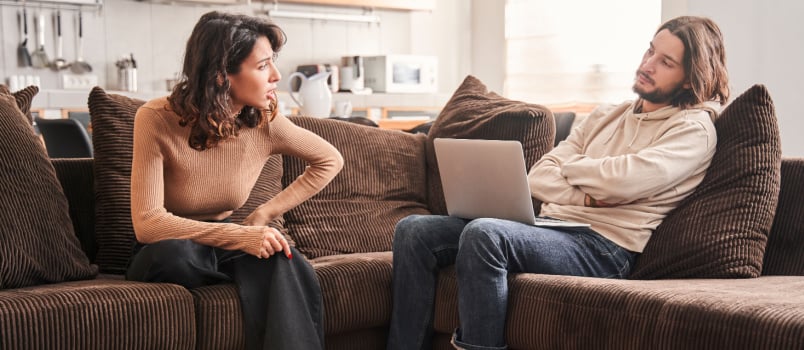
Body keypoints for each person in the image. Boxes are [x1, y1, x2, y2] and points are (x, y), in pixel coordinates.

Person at [387, 15, 729, 350]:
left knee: (485, 234)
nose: (648, 64)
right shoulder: (607, 115)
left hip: (606, 247)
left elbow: (623, 181)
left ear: (689, 78)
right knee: (414, 230)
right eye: (650, 51)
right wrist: (591, 195)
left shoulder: (693, 130)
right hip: (553, 225)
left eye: (665, 61)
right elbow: (540, 175)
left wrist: (575, 167)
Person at [125, 11, 343, 350]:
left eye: (273, 62)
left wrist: (261, 218)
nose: (276, 75)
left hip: (224, 248)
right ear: (221, 75)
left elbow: (329, 160)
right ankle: (244, 276)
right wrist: (240, 236)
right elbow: (147, 223)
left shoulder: (265, 120)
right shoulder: (155, 119)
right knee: (178, 254)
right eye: (262, 67)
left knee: (284, 257)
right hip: (167, 247)